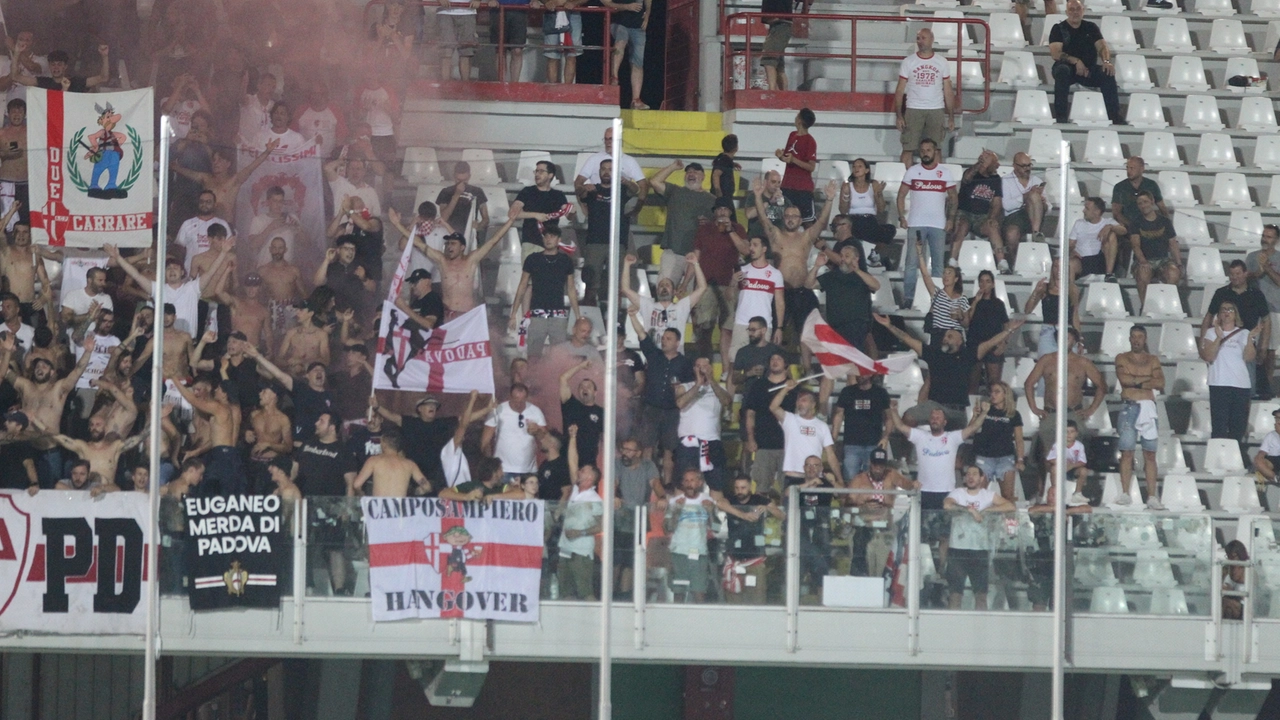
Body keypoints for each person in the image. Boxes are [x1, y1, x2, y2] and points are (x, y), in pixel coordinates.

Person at [874, 313, 1022, 429]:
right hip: (934, 406)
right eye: (945, 336)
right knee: (908, 417)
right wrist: (889, 326)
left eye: (950, 336)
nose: (945, 339)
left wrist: (1009, 330)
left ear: (960, 341)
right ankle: (907, 458)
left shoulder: (968, 355)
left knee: (957, 453)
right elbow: (907, 338)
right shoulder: (934, 353)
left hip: (956, 411)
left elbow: (991, 342)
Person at [753, 176, 839, 365]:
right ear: (784, 218)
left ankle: (807, 371)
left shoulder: (806, 237)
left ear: (801, 220)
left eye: (795, 217)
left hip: (803, 290)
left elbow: (822, 223)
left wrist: (830, 199)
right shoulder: (775, 235)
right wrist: (759, 197)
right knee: (778, 333)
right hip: (780, 293)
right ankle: (778, 372)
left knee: (806, 336)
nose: (791, 219)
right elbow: (763, 219)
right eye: (788, 216)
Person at [0, 335, 95, 487]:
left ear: (52, 372)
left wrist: (88, 352)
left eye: (44, 366)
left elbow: (77, 371)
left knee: (50, 493)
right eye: (38, 366)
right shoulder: (25, 386)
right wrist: (5, 351)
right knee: (26, 491)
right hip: (27, 450)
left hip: (50, 452)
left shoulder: (58, 389)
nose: (40, 368)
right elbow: (4, 373)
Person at [1023, 326, 1106, 494]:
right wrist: (1034, 407)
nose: (1064, 340)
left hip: (1073, 414)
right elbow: (1029, 383)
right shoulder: (1047, 360)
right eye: (1061, 337)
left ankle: (1075, 493)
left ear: (1074, 341)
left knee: (1076, 453)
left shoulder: (1082, 362)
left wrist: (1091, 409)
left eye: (1068, 338)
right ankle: (1047, 493)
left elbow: (1102, 386)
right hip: (1051, 413)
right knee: (1047, 456)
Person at [629, 306, 695, 486]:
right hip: (651, 409)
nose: (664, 341)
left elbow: (690, 387)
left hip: (672, 412)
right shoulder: (654, 355)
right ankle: (648, 483)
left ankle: (666, 485)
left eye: (668, 339)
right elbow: (642, 333)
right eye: (663, 338)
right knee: (648, 448)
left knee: (669, 451)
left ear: (677, 342)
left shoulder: (685, 363)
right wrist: (633, 316)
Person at [886, 399, 990, 510]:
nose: (935, 420)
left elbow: (973, 428)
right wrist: (893, 410)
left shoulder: (952, 437)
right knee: (922, 525)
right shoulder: (920, 436)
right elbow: (900, 426)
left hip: (946, 491)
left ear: (945, 422)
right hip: (923, 490)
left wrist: (984, 413)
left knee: (944, 525)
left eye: (938, 418)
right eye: (932, 418)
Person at [943, 465, 1014, 609]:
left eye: (975, 474)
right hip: (958, 550)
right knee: (955, 594)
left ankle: (981, 628)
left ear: (982, 478)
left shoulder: (988, 495)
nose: (970, 477)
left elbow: (1010, 506)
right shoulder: (958, 493)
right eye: (968, 474)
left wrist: (988, 510)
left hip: (980, 550)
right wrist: (969, 510)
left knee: (981, 595)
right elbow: (947, 505)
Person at [898, 138, 958, 308]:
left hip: (938, 224)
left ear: (935, 152)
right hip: (916, 223)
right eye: (922, 150)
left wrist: (951, 219)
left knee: (938, 265)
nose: (925, 153)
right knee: (911, 263)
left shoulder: (945, 172)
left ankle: (938, 300)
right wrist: (902, 216)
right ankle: (909, 299)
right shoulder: (912, 172)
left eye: (928, 150)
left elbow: (953, 197)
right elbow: (901, 195)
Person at [509, 223, 579, 358]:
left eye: (552, 236)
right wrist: (513, 314)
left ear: (558, 240)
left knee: (558, 358)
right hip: (537, 316)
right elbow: (522, 286)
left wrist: (577, 316)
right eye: (546, 236)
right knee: (533, 356)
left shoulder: (565, 261)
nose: (548, 239)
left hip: (558, 316)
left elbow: (571, 289)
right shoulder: (533, 259)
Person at [1113, 325, 1164, 509]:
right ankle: (1125, 493)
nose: (1136, 340)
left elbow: (1160, 382)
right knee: (1127, 452)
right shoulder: (1121, 357)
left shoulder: (1152, 359)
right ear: (1129, 338)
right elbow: (1124, 380)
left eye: (1140, 337)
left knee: (1150, 454)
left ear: (1145, 339)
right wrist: (1146, 381)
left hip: (1148, 407)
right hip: (1130, 406)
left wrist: (1135, 380)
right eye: (1133, 336)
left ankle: (1151, 496)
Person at [691, 199, 749, 361]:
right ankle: (704, 365)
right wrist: (686, 282)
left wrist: (730, 231)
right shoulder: (704, 229)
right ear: (714, 212)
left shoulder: (738, 229)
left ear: (731, 212)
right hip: (706, 285)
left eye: (726, 209)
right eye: (719, 209)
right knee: (703, 328)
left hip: (729, 284)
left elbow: (745, 250)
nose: (722, 212)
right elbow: (696, 256)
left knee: (727, 329)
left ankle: (725, 368)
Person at [578, 160, 642, 304]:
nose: (606, 172)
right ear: (599, 172)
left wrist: (625, 181)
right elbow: (580, 193)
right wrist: (583, 188)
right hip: (595, 242)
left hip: (618, 243)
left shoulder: (622, 190)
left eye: (611, 169)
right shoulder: (592, 190)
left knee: (618, 285)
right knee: (591, 283)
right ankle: (588, 317)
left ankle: (616, 321)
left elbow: (635, 190)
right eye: (603, 169)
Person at [1048, 0, 1122, 125]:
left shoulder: (1091, 27)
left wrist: (1107, 61)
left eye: (1078, 9)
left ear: (1083, 11)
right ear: (1066, 12)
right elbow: (1055, 53)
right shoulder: (1058, 29)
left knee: (1107, 73)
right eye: (1071, 9)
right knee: (1062, 71)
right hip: (1067, 69)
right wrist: (1076, 61)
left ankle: (1114, 116)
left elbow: (1102, 47)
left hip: (1088, 69)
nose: (1075, 12)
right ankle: (1061, 117)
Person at [847, 448, 918, 576]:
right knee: (860, 562)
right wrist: (863, 507)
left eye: (881, 465)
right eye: (875, 465)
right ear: (870, 463)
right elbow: (847, 505)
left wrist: (914, 484)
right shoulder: (859, 479)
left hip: (885, 528)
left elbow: (910, 487)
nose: (878, 468)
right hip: (864, 528)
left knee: (882, 568)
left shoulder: (892, 475)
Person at [1203, 260, 1271, 394]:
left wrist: (1263, 346)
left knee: (1248, 387)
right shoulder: (1221, 293)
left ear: (1245, 273)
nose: (1235, 277)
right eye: (1232, 274)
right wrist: (1203, 341)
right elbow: (1209, 316)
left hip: (1247, 342)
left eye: (1238, 273)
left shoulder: (1256, 294)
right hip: (1222, 343)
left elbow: (1267, 320)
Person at [647, 159, 717, 284]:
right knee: (664, 289)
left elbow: (719, 226)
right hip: (673, 252)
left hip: (698, 254)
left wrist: (710, 223)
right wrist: (673, 166)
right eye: (688, 172)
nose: (691, 174)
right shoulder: (675, 191)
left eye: (695, 172)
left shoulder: (712, 200)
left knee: (690, 297)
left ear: (703, 176)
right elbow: (654, 181)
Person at [1201, 300, 1262, 443]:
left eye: (1230, 310)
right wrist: (1218, 337)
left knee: (1238, 426)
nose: (1226, 312)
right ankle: (1218, 459)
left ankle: (1236, 458)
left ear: (1236, 314)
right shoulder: (1211, 333)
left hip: (1240, 385)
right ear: (1219, 315)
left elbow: (1249, 357)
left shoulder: (1244, 333)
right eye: (1223, 310)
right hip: (1219, 383)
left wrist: (1249, 339)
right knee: (1219, 426)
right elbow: (1209, 356)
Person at [894, 29, 955, 167]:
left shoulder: (941, 62)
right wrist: (899, 115)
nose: (920, 41)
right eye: (918, 38)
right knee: (908, 148)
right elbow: (899, 89)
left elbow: (948, 90)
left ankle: (935, 182)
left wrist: (951, 116)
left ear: (932, 39)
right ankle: (906, 182)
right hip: (914, 108)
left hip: (936, 109)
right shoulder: (909, 62)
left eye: (923, 38)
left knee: (937, 148)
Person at [621, 253, 706, 350]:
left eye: (667, 285)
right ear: (657, 291)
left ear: (674, 291)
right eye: (661, 286)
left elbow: (702, 287)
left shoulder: (681, 306)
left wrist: (696, 263)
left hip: (675, 357)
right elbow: (625, 289)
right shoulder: (648, 305)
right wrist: (627, 264)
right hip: (654, 356)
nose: (664, 287)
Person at [718, 475, 782, 604]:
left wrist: (767, 508)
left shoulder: (759, 499)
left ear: (750, 487)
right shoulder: (730, 499)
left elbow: (782, 515)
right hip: (735, 557)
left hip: (755, 559)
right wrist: (743, 515)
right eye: (737, 488)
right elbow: (720, 503)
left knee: (757, 598)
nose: (739, 491)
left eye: (743, 488)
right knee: (733, 599)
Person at [675, 356, 732, 496]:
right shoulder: (684, 387)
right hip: (689, 442)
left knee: (716, 484)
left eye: (705, 366)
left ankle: (715, 515)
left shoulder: (720, 388)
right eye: (699, 366)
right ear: (694, 369)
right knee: (682, 483)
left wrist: (711, 380)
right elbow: (680, 403)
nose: (702, 369)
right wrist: (698, 384)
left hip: (712, 441)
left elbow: (726, 401)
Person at [558, 427, 603, 600]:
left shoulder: (595, 499)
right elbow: (572, 462)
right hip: (565, 549)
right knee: (565, 592)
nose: (579, 471)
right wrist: (572, 437)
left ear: (591, 478)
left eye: (583, 471)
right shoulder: (576, 491)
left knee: (586, 592)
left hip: (581, 552)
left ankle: (594, 623)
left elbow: (602, 525)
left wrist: (580, 532)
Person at [951, 150, 1011, 273]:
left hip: (982, 217)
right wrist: (980, 164)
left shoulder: (996, 179)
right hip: (965, 213)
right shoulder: (972, 174)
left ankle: (1002, 263)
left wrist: (992, 218)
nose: (998, 166)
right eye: (995, 163)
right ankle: (952, 261)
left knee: (992, 227)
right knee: (963, 225)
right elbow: (967, 178)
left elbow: (997, 203)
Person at [771, 379, 841, 484]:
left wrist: (839, 478)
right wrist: (785, 389)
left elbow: (831, 455)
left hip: (814, 477)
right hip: (792, 475)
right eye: (798, 400)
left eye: (804, 400)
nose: (800, 403)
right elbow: (773, 407)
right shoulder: (790, 419)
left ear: (813, 404)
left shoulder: (822, 426)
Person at [728, 235, 786, 362]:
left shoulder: (775, 274)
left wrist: (779, 328)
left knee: (761, 363)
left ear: (764, 249)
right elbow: (730, 298)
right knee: (735, 362)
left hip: (763, 326)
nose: (751, 248)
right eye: (750, 245)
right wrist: (733, 282)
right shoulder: (742, 270)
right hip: (742, 323)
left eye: (755, 245)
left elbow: (779, 302)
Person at [664, 469, 716, 602]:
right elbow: (667, 528)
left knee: (699, 593)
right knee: (678, 593)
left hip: (699, 553)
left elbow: (717, 528)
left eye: (692, 480)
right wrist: (676, 511)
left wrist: (711, 512)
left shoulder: (708, 501)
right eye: (686, 480)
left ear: (700, 482)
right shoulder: (675, 501)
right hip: (678, 552)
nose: (689, 484)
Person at [830, 370, 891, 480]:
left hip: (874, 444)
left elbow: (889, 418)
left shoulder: (880, 393)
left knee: (871, 480)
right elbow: (839, 415)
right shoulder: (847, 392)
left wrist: (885, 437)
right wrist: (833, 438)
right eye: (858, 372)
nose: (860, 375)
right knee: (850, 478)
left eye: (863, 373)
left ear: (871, 374)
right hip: (851, 443)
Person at [971, 381, 1024, 502]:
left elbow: (1019, 439)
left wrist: (1020, 459)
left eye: (997, 392)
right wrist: (976, 415)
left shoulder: (1014, 414)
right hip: (984, 456)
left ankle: (1009, 520)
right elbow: (971, 430)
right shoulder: (985, 410)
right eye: (992, 392)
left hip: (1005, 457)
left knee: (1007, 496)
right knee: (978, 494)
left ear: (1005, 394)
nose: (993, 395)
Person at [482, 383, 546, 482]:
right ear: (510, 397)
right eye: (516, 400)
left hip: (529, 470)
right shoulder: (498, 410)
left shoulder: (536, 412)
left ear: (527, 398)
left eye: (522, 400)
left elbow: (545, 441)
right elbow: (485, 441)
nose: (519, 404)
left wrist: (537, 430)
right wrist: (491, 466)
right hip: (503, 470)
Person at [1129, 191, 1181, 309]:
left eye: (1145, 202)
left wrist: (1178, 263)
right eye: (1140, 203)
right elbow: (1135, 245)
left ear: (1152, 202)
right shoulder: (1135, 222)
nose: (1143, 205)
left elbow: (1172, 243)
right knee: (1143, 275)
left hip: (1163, 260)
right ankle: (1145, 307)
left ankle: (1168, 305)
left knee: (1173, 274)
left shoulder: (1165, 222)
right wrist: (1143, 261)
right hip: (1144, 260)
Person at [838, 160, 896, 266]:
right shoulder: (847, 186)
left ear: (867, 170)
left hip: (870, 221)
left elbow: (881, 209)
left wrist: (878, 194)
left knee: (890, 229)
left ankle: (875, 255)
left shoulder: (873, 184)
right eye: (854, 166)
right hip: (853, 221)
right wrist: (846, 195)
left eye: (860, 166)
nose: (856, 168)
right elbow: (842, 211)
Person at [1024, 258, 1082, 358]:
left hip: (1068, 331)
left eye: (1061, 266)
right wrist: (1036, 292)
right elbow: (1027, 310)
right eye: (1056, 266)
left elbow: (1075, 315)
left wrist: (1079, 339)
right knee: (1046, 365)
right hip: (1048, 331)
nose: (1058, 269)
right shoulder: (1045, 287)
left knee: (1069, 367)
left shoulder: (1073, 290)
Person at [966, 269, 1011, 391]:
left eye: (987, 281)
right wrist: (975, 302)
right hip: (974, 344)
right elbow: (966, 322)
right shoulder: (970, 301)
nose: (984, 284)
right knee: (972, 382)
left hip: (994, 344)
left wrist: (1004, 343)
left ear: (993, 284)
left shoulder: (998, 304)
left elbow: (1006, 325)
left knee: (994, 383)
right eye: (981, 281)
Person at [1248, 225, 1280, 398]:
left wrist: (1267, 268)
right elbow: (1245, 277)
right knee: (1253, 348)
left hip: (1274, 309)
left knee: (1269, 351)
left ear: (1276, 240)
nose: (1265, 239)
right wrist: (1256, 272)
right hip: (1254, 309)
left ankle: (1266, 386)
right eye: (1263, 235)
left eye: (1269, 236)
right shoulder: (1252, 257)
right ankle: (1253, 385)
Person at [915, 241, 969, 342]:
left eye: (949, 273)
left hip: (955, 335)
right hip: (939, 335)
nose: (946, 275)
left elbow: (966, 324)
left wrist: (960, 317)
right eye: (944, 273)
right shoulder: (937, 293)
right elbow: (925, 274)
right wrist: (920, 253)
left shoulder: (962, 298)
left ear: (956, 278)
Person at [603, 0, 652, 108]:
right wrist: (626, 6)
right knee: (621, 41)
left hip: (638, 26)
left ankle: (636, 100)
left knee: (638, 62)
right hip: (619, 22)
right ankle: (614, 77)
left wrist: (648, 13)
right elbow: (606, 2)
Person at [515, 161, 573, 248]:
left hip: (550, 244)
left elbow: (569, 216)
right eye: (536, 171)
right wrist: (535, 215)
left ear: (550, 175)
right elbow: (513, 213)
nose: (537, 174)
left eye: (541, 171)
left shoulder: (558, 195)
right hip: (530, 242)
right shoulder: (527, 191)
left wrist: (572, 211)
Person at [1111, 156, 1168, 245]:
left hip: (1148, 226)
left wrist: (1165, 225)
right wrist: (1133, 226)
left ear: (1142, 169)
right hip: (1127, 227)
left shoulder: (1151, 185)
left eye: (1132, 168)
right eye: (1127, 168)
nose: (1129, 171)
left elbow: (1162, 208)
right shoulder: (1119, 187)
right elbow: (1116, 213)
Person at [776, 109, 819, 225]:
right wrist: (781, 156)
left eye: (797, 116)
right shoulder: (792, 135)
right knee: (785, 220)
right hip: (787, 185)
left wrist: (794, 160)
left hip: (802, 188)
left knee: (807, 222)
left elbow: (811, 167)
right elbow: (787, 157)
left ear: (800, 120)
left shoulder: (810, 141)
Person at [561, 359, 604, 466]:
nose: (584, 389)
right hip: (567, 460)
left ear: (595, 392)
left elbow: (605, 439)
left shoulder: (601, 412)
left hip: (589, 463)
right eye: (581, 387)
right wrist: (580, 366)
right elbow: (563, 379)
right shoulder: (570, 404)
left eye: (588, 387)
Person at [1069, 197, 1123, 281]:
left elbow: (1123, 231)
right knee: (1070, 264)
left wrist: (1110, 227)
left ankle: (1109, 274)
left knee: (1111, 235)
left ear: (1097, 212)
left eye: (1087, 208)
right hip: (1082, 260)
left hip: (1100, 260)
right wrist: (1071, 251)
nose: (1083, 211)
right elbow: (1071, 244)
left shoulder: (1108, 221)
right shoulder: (1079, 223)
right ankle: (1070, 291)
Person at [1001, 152, 1046, 250]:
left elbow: (1049, 208)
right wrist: (1025, 196)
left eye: (1029, 165)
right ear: (1014, 166)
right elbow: (1007, 205)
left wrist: (1043, 202)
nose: (1027, 168)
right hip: (1013, 217)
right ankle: (1014, 263)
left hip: (1035, 217)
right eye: (1024, 166)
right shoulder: (1005, 181)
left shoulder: (1037, 180)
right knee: (1011, 234)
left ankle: (1035, 233)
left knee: (1034, 196)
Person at [435, 161, 489, 238]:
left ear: (469, 176)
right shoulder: (446, 192)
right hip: (450, 234)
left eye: (465, 180)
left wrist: (479, 226)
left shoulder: (477, 191)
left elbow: (486, 219)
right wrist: (456, 195)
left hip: (469, 234)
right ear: (454, 176)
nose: (462, 183)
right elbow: (444, 218)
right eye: (458, 180)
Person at [1046, 420, 1091, 505]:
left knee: (1084, 471)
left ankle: (1077, 493)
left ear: (1076, 433)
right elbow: (1050, 459)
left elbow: (1082, 462)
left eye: (1072, 432)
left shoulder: (1079, 446)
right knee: (1053, 468)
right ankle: (1056, 491)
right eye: (1066, 432)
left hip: (1073, 470)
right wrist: (1062, 464)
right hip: (1060, 469)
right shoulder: (1057, 445)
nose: (1069, 434)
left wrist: (1071, 466)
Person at [438, 0, 479, 81]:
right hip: (445, 11)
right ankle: (444, 88)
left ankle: (465, 87)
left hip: (468, 11)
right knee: (446, 52)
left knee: (466, 52)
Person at [759, 0, 793, 90]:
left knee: (769, 60)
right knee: (778, 65)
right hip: (779, 24)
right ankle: (781, 94)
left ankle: (772, 91)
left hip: (780, 24)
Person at [1254, 409, 1280, 490]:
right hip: (1273, 459)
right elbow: (1262, 452)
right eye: (1276, 418)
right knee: (1258, 460)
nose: (1277, 421)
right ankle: (1276, 478)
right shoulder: (1270, 435)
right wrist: (1260, 457)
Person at [711, 134, 739, 200]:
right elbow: (716, 174)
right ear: (736, 147)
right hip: (723, 196)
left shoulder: (721, 157)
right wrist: (718, 192)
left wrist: (733, 164)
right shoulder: (725, 160)